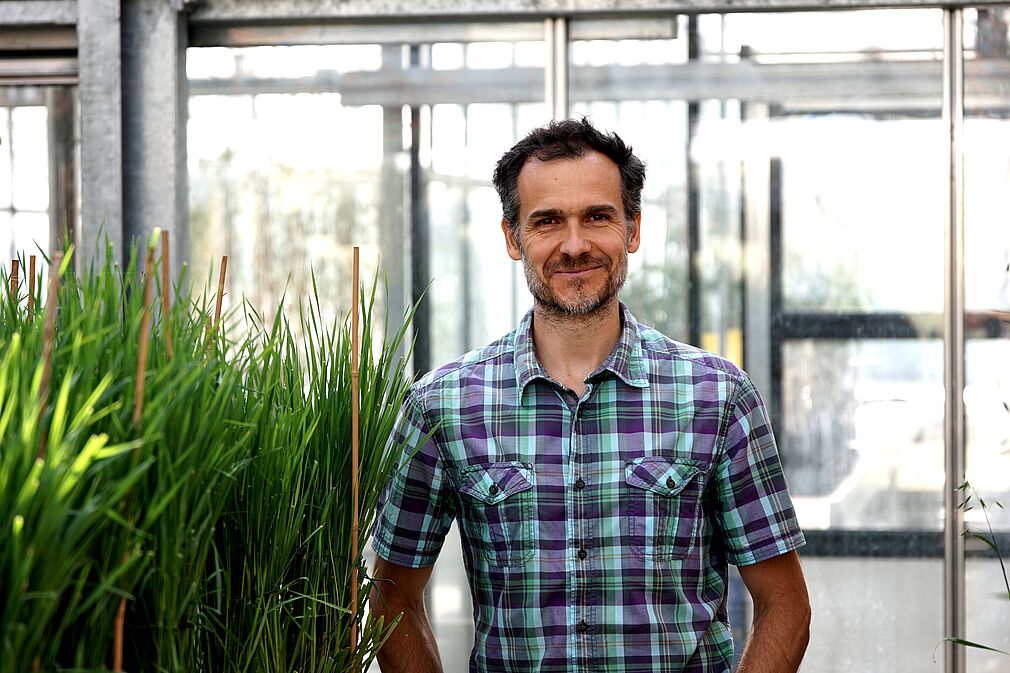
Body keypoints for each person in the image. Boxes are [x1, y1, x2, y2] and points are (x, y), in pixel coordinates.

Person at [369, 117, 810, 673]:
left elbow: (786, 602)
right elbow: (392, 599)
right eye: (547, 221)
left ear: (633, 229)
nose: (574, 245)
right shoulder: (444, 404)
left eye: (597, 217)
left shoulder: (717, 395)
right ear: (512, 237)